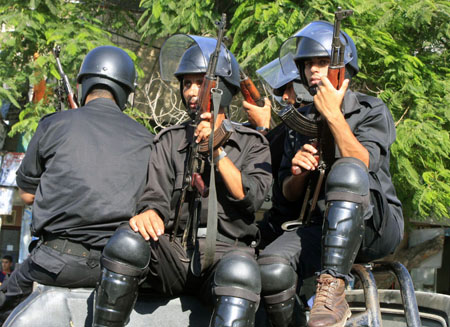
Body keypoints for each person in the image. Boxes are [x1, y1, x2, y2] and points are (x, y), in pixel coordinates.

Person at [91, 35, 272, 327]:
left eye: (200, 83)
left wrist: (217, 150)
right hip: (176, 253)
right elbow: (155, 195)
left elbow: (249, 196)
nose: (190, 91)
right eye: (186, 83)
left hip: (228, 254)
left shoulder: (253, 143)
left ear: (222, 89)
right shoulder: (169, 140)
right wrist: (149, 211)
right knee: (126, 241)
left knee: (242, 270)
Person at [257, 20, 404, 327]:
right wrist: (298, 172)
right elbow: (286, 192)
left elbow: (363, 163)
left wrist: (334, 116)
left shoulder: (371, 110)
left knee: (348, 171)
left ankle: (333, 287)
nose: (313, 70)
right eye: (308, 63)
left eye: (322, 63)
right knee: (270, 268)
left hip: (371, 224)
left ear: (343, 67)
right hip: (320, 226)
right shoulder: (301, 118)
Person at [0, 45, 153, 324]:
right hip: (117, 270)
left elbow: (26, 194)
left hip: (54, 262)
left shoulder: (54, 124)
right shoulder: (146, 138)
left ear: (84, 84)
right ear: (125, 92)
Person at [243, 57, 313, 248]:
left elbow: (262, 162)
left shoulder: (304, 127)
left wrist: (262, 127)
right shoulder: (294, 126)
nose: (283, 97)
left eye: (288, 88)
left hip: (288, 226)